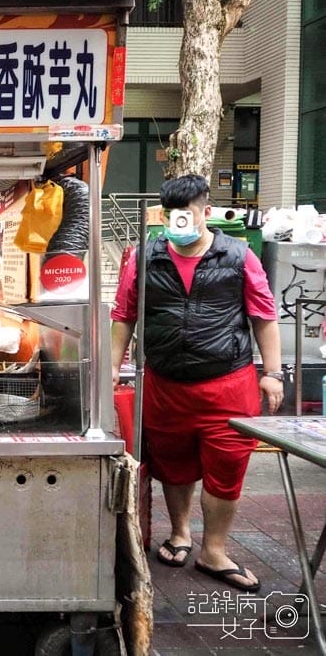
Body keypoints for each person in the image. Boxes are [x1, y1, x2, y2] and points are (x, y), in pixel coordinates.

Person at [110, 174, 282, 594]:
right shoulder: (144, 256)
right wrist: (111, 368)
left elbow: (263, 316)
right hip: (166, 384)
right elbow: (124, 315)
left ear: (205, 212)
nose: (177, 223)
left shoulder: (239, 256)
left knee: (227, 469)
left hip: (228, 383)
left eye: (185, 215)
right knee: (173, 464)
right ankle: (180, 533)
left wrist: (272, 374)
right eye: (170, 216)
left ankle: (215, 550)